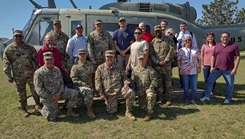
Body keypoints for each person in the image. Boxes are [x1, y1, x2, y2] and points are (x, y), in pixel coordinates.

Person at [3, 30, 42, 117]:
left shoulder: (29, 48)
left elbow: (35, 60)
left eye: (19, 36)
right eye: (16, 36)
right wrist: (9, 75)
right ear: (13, 37)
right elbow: (6, 62)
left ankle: (38, 105)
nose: (17, 38)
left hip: (30, 74)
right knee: (21, 92)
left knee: (35, 90)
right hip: (18, 75)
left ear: (23, 37)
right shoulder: (9, 49)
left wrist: (37, 73)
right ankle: (24, 108)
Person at [34, 52, 79, 121]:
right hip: (48, 97)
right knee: (52, 118)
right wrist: (51, 96)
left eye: (51, 59)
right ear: (43, 60)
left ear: (53, 60)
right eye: (47, 60)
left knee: (74, 93)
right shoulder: (39, 73)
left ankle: (69, 111)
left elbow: (61, 83)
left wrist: (60, 92)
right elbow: (38, 89)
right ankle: (39, 109)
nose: (49, 61)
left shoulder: (57, 69)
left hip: (59, 93)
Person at [95, 50, 136, 120]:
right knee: (112, 112)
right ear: (105, 57)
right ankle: (113, 102)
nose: (109, 59)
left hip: (119, 90)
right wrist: (101, 93)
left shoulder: (119, 67)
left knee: (130, 93)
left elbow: (125, 78)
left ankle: (128, 112)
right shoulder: (100, 68)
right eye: (108, 57)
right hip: (109, 93)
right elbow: (97, 82)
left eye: (111, 57)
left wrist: (126, 85)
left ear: (114, 57)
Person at [200, 32, 240, 104]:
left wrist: (235, 69)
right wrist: (212, 67)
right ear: (221, 38)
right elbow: (213, 56)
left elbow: (237, 57)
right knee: (209, 81)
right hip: (217, 69)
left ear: (229, 37)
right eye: (223, 37)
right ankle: (207, 96)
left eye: (226, 37)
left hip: (228, 69)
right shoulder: (217, 46)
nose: (225, 38)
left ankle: (228, 98)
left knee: (230, 85)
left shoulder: (234, 46)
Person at [87, 19, 114, 97]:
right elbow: (89, 47)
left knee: (106, 75)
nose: (98, 26)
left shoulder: (107, 34)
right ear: (95, 26)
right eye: (97, 25)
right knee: (96, 76)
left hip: (106, 59)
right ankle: (96, 91)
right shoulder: (92, 35)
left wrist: (112, 56)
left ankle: (106, 91)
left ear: (102, 25)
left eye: (100, 24)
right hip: (96, 59)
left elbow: (111, 45)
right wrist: (92, 59)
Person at [150, 25, 174, 106]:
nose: (158, 32)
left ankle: (169, 99)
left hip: (166, 66)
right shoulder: (152, 42)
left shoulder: (168, 40)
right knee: (159, 84)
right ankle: (160, 98)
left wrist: (166, 61)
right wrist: (157, 62)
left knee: (168, 83)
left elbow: (171, 50)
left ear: (161, 31)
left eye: (159, 31)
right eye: (156, 31)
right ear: (154, 32)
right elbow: (152, 54)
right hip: (157, 66)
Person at [70, 49, 96, 119]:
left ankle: (88, 107)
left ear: (86, 55)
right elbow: (74, 79)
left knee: (89, 91)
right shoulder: (75, 67)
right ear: (78, 55)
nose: (82, 55)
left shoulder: (90, 64)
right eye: (80, 54)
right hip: (79, 87)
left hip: (90, 86)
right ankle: (89, 111)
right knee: (88, 91)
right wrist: (84, 84)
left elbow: (93, 75)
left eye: (84, 54)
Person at [131, 53, 157, 121]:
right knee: (142, 107)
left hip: (148, 90)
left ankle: (149, 114)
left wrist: (150, 88)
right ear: (138, 60)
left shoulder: (150, 70)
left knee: (151, 96)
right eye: (140, 59)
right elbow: (132, 82)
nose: (141, 61)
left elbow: (154, 80)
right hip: (140, 92)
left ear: (145, 60)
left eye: (143, 59)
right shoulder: (135, 70)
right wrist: (133, 91)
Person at [177, 34, 201, 104]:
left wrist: (199, 67)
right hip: (184, 70)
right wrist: (179, 69)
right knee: (186, 86)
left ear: (191, 41)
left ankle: (193, 98)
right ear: (184, 41)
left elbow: (199, 59)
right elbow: (178, 60)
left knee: (194, 86)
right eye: (186, 40)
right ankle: (187, 98)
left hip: (194, 70)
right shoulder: (181, 50)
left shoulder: (195, 49)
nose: (187, 41)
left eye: (189, 40)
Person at [175, 22, 198, 88]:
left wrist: (194, 53)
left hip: (189, 54)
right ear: (180, 27)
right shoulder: (177, 35)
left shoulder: (191, 34)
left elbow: (194, 44)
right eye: (181, 26)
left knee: (190, 69)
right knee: (181, 69)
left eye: (184, 26)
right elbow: (176, 45)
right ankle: (182, 84)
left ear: (186, 26)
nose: (183, 27)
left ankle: (190, 85)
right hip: (181, 54)